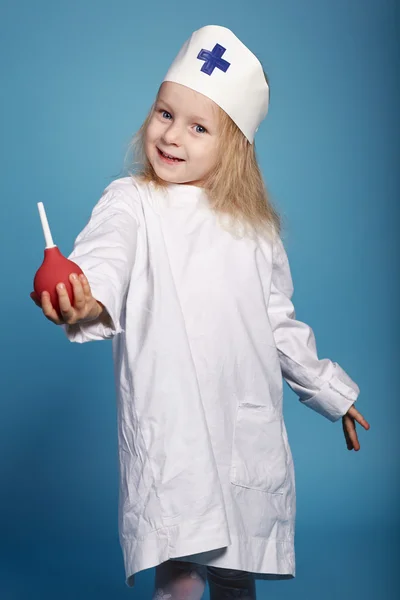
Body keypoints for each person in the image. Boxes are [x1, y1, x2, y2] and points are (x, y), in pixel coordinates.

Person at [30, 25, 370, 600]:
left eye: (198, 127)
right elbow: (106, 254)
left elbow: (279, 326)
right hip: (175, 427)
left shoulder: (254, 231)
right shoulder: (133, 201)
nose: (172, 136)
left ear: (234, 145)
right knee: (181, 569)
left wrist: (332, 392)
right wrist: (85, 295)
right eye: (165, 113)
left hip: (243, 424)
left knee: (236, 570)